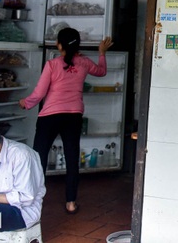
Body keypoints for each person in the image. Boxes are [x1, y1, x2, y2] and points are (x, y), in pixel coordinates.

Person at [19, 27, 113, 214]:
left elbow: (39, 93)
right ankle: (71, 202)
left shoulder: (52, 64)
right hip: (73, 115)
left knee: (39, 158)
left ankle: (33, 201)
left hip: (50, 116)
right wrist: (101, 53)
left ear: (59, 44)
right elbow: (101, 72)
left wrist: (25, 103)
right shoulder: (84, 63)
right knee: (72, 158)